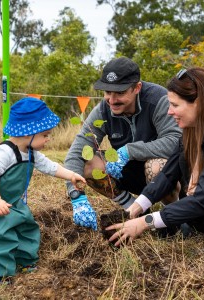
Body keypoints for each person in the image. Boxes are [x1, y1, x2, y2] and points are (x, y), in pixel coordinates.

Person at [106, 67, 204, 246]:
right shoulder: (198, 123)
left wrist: (144, 223)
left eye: (175, 105)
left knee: (196, 207)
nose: (169, 111)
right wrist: (134, 209)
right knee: (193, 214)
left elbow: (203, 200)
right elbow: (169, 173)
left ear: (199, 102)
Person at [0, 97, 86, 286]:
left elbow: (50, 167)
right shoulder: (3, 153)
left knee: (27, 227)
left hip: (13, 201)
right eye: (45, 135)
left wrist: (71, 175)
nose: (48, 139)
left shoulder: (31, 152)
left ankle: (24, 260)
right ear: (28, 133)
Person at [64, 57, 182, 230]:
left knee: (156, 166)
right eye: (107, 92)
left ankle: (171, 216)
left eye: (119, 93)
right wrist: (76, 195)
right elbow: (77, 151)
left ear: (137, 88)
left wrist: (129, 150)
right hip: (128, 170)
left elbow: (175, 142)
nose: (112, 100)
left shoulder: (159, 100)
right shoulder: (104, 110)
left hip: (165, 173)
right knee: (89, 163)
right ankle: (134, 209)